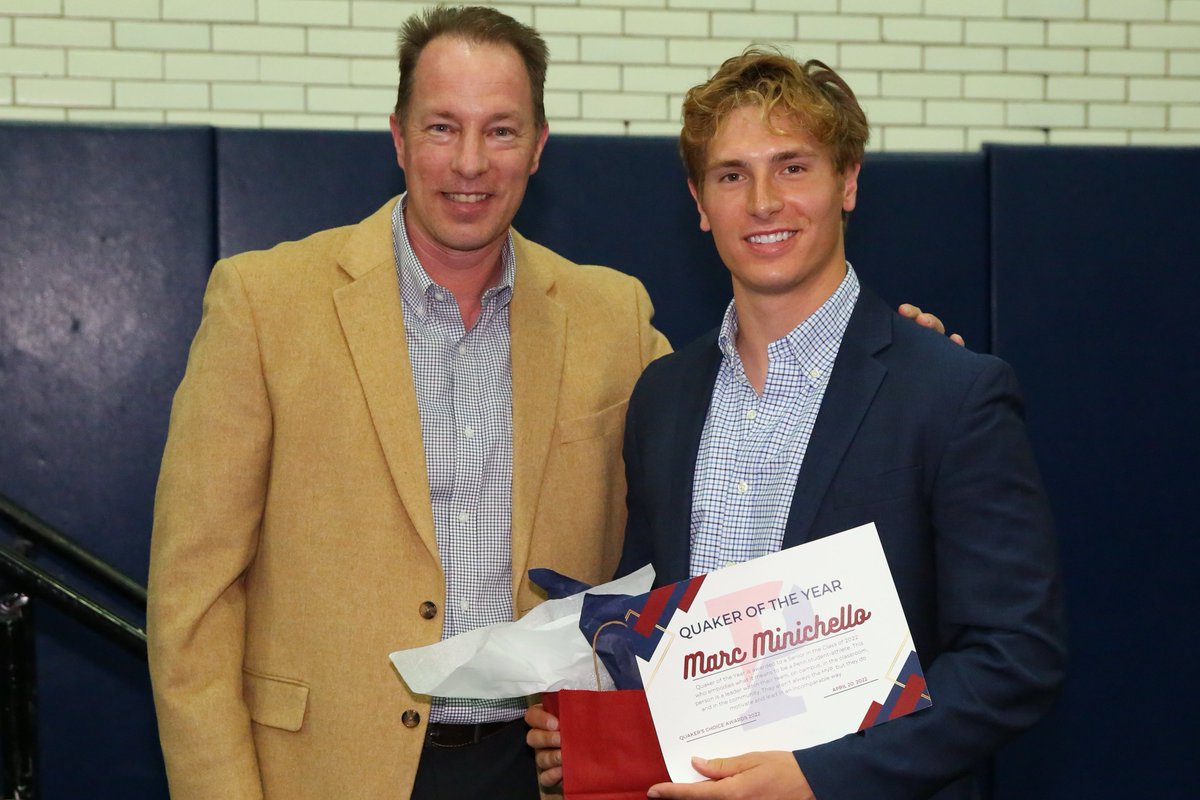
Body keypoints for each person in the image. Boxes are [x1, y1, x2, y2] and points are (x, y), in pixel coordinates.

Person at [148, 4, 959, 797]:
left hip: (542, 767)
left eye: (501, 130)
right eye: (441, 126)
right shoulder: (264, 303)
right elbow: (194, 599)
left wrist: (882, 362)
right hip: (324, 769)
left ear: (538, 148)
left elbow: (733, 429)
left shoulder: (612, 317)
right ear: (398, 136)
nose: (471, 162)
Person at [527, 50, 1065, 800]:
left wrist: (819, 780)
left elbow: (1015, 657)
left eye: (792, 167)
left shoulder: (951, 393)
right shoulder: (664, 398)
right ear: (698, 200)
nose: (763, 202)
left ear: (846, 181)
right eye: (731, 175)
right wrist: (597, 721)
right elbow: (662, 633)